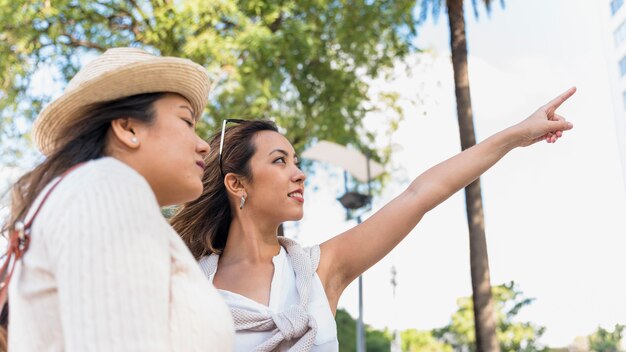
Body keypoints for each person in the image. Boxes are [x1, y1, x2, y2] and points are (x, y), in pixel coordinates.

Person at [170, 87, 576, 351]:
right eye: (280, 161)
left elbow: (420, 194)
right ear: (237, 184)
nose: (299, 173)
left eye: (296, 161)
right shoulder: (185, 286)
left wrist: (514, 136)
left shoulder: (317, 271)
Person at [0, 47, 233, 351]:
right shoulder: (107, 186)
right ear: (128, 128)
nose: (203, 145)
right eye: (187, 121)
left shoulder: (91, 193)